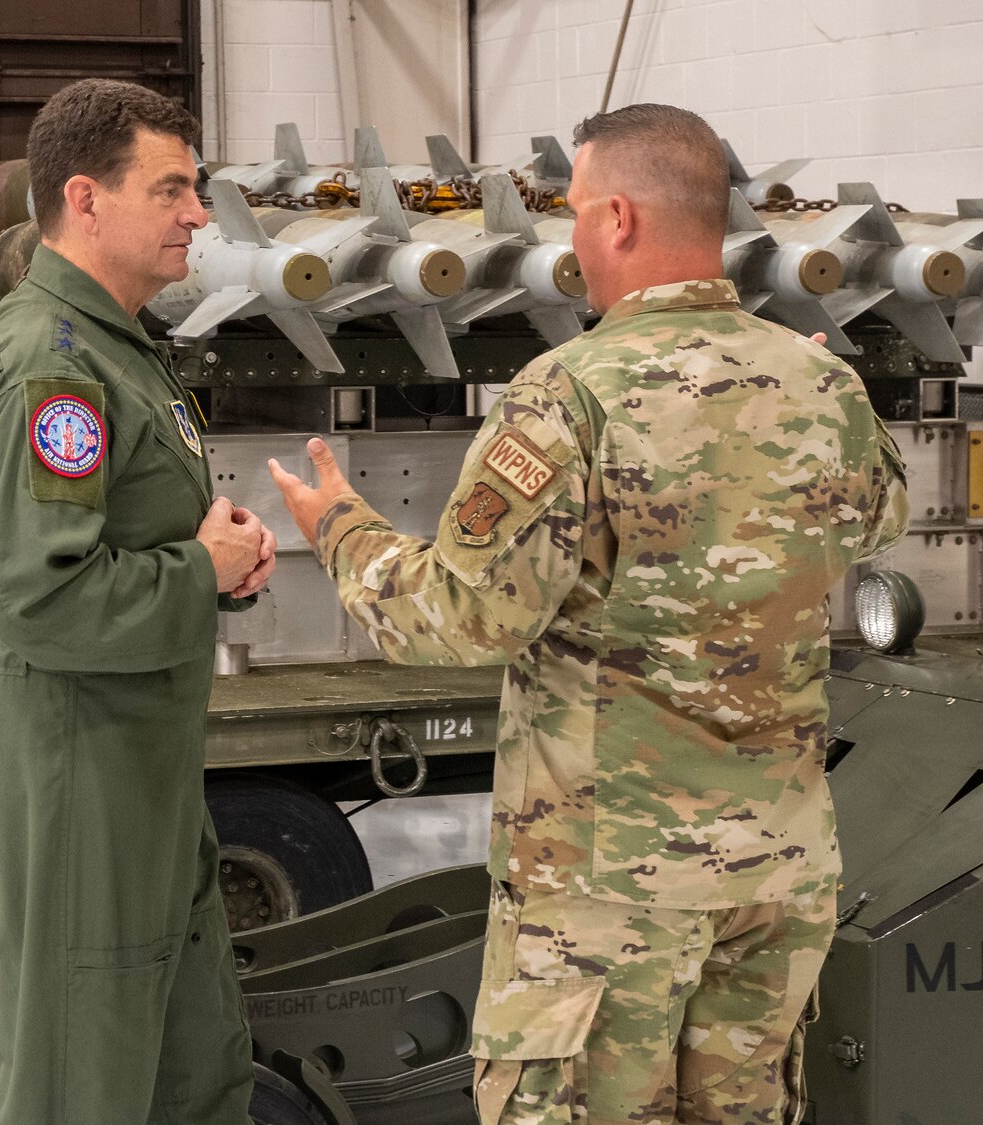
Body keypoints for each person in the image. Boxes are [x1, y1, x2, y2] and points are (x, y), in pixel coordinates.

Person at [268, 103, 908, 1124]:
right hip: (774, 874)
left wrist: (340, 528)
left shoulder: (568, 396)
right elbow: (876, 515)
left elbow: (461, 619)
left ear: (616, 219)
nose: (569, 241)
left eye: (572, 215)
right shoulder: (819, 381)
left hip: (612, 892)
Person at [0, 78, 273, 1125]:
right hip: (74, 758)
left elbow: (110, 548)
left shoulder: (117, 348)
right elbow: (41, 598)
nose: (197, 215)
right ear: (84, 199)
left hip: (132, 756)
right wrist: (199, 574)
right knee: (80, 1086)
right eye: (171, 189)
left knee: (185, 1066)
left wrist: (211, 564)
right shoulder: (56, 365)